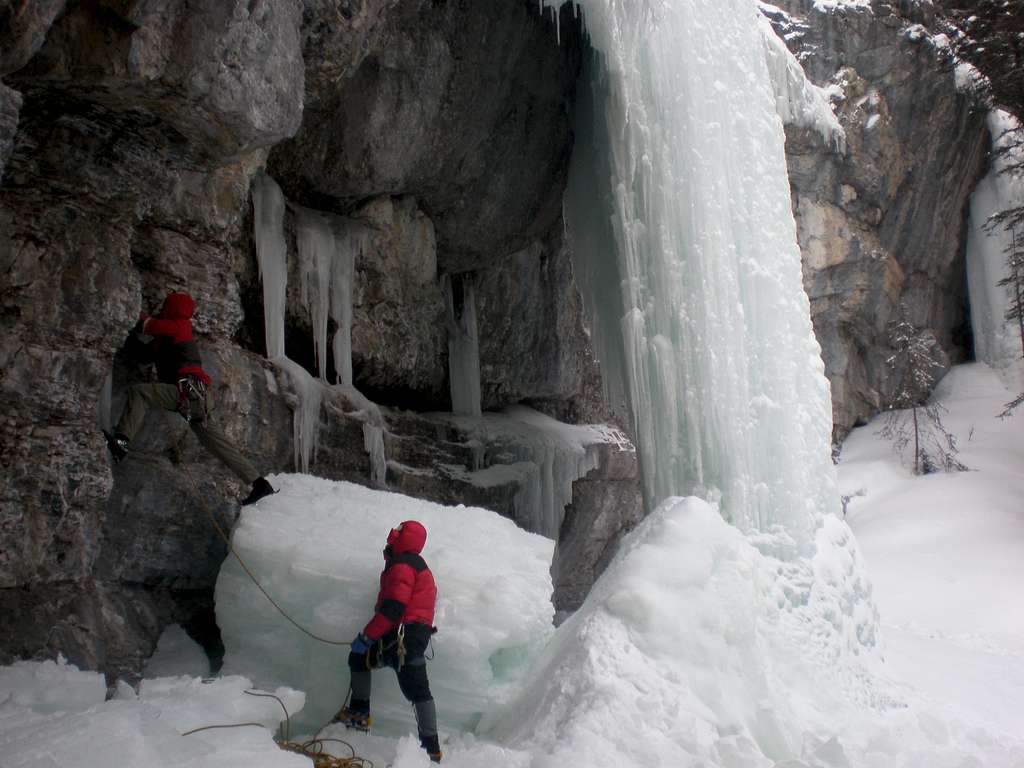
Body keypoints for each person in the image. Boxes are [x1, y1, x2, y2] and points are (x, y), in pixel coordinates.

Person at [104, 291, 275, 506]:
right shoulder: (167, 338)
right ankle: (259, 483)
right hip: (197, 399)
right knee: (217, 444)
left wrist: (126, 306)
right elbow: (142, 354)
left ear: (171, 309)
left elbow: (145, 324)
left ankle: (121, 442)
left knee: (140, 392)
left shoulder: (179, 325)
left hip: (189, 394)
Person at [334, 520, 441, 763]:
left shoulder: (402, 565)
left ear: (404, 539)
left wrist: (367, 636)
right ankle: (430, 748)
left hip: (403, 635)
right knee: (415, 688)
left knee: (365, 659)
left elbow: (393, 608)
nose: (393, 536)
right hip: (411, 635)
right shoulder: (413, 564)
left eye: (398, 533)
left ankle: (361, 716)